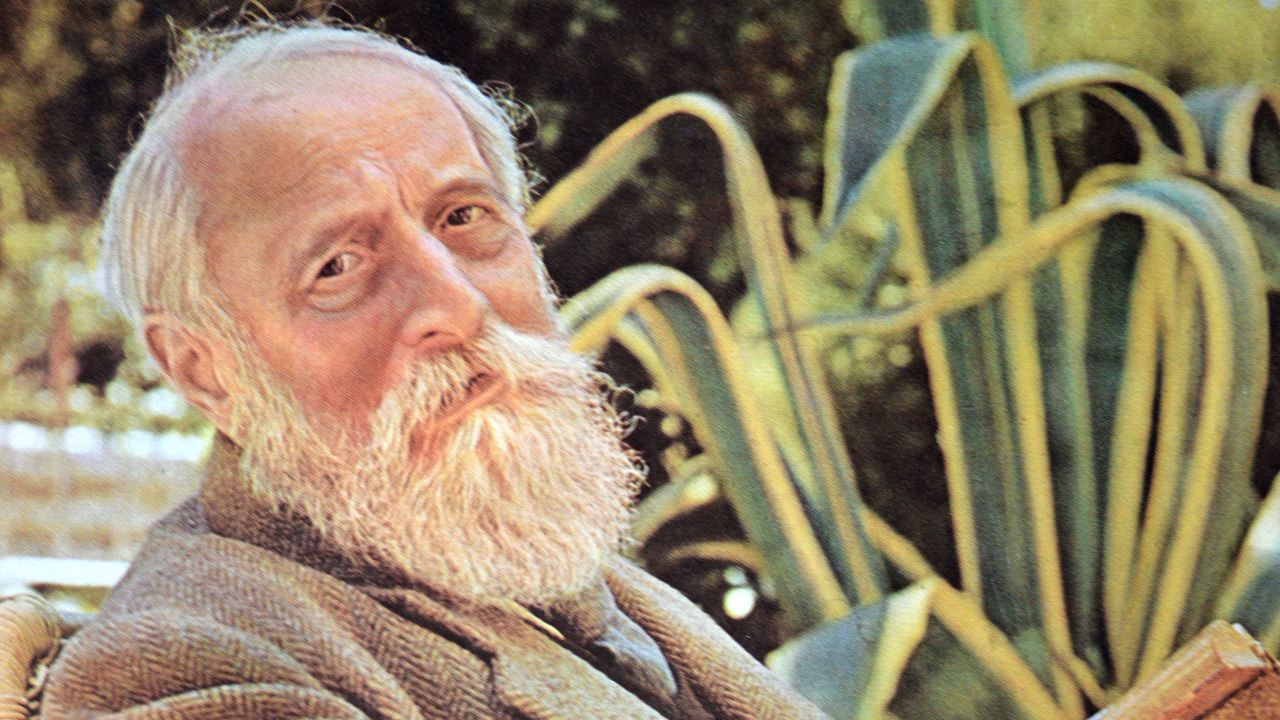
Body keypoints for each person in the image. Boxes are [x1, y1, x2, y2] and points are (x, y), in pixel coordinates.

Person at [39, 22, 829, 720]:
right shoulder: (185, 663)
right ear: (207, 371)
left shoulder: (526, 569)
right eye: (337, 266)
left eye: (463, 216)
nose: (458, 306)